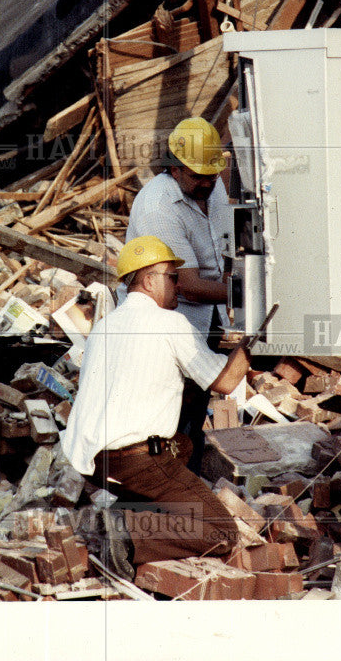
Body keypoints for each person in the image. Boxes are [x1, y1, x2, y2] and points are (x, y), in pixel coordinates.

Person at [61, 235, 253, 581]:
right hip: (135, 461)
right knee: (220, 531)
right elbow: (225, 382)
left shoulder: (105, 326)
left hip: (95, 462)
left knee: (183, 446)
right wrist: (254, 341)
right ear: (149, 280)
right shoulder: (170, 325)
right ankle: (127, 532)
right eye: (172, 277)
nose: (179, 286)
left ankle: (125, 513)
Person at [124, 116, 231, 472]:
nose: (207, 183)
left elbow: (224, 251)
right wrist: (246, 295)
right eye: (198, 176)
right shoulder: (159, 207)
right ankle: (168, 487)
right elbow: (186, 285)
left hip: (206, 318)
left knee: (194, 409)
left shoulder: (211, 186)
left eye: (212, 174)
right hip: (169, 323)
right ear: (174, 168)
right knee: (171, 414)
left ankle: (189, 482)